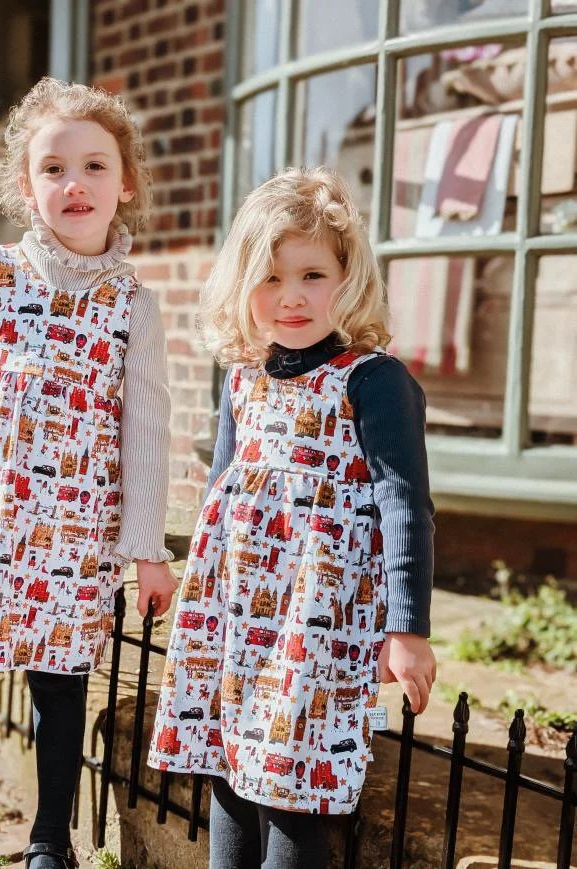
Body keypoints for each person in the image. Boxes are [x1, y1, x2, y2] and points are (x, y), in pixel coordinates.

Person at [0, 77, 177, 869]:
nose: (73, 184)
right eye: (52, 168)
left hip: (76, 530)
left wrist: (145, 545)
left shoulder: (133, 304)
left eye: (93, 166)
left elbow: (146, 425)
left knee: (59, 683)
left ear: (124, 184)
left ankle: (48, 839)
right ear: (26, 187)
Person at [148, 167, 436, 869]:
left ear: (348, 276)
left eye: (312, 274)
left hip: (318, 621)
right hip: (234, 614)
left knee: (294, 781)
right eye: (270, 278)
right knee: (228, 768)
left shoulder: (370, 379)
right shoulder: (243, 377)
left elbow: (404, 505)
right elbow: (223, 489)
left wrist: (407, 630)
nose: (291, 297)